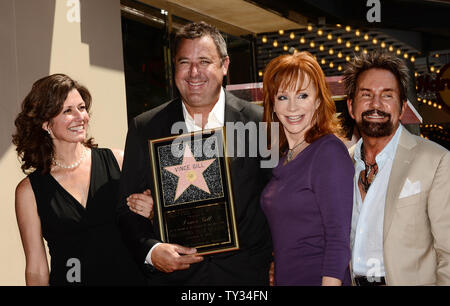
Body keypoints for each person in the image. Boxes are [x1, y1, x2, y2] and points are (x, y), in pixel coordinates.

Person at [116, 21, 273, 285]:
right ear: (174, 68)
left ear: (224, 65)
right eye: (184, 62)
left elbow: (279, 201)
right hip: (178, 280)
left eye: (204, 61)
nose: (194, 72)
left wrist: (279, 258)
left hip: (249, 278)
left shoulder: (261, 123)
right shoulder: (145, 128)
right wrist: (152, 250)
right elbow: (125, 210)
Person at [12, 74, 151, 286]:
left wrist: (151, 212)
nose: (80, 117)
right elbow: (36, 267)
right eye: (68, 111)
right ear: (46, 124)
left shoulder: (119, 161)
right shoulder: (29, 191)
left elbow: (150, 227)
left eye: (82, 108)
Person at [343, 51, 450, 286]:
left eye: (387, 95)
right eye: (366, 95)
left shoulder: (436, 161)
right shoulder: (341, 164)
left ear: (402, 108)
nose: (376, 104)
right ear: (351, 106)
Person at [260, 51, 354, 286]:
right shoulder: (284, 158)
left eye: (302, 95)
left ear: (319, 101)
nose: (292, 107)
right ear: (272, 104)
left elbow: (338, 240)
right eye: (283, 97)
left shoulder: (328, 152)